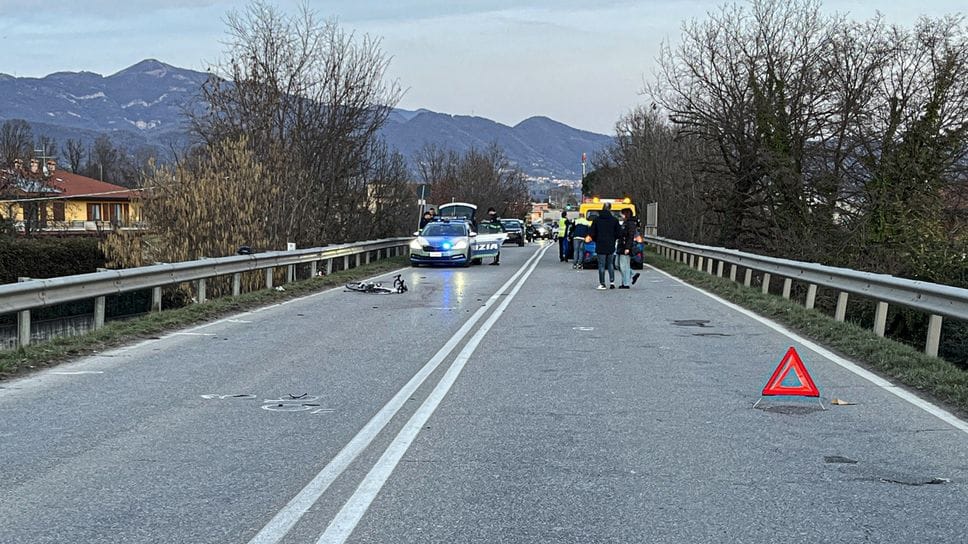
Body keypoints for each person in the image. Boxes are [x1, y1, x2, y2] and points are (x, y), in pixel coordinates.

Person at [588, 202, 622, 290]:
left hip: (600, 244)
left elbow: (592, 233)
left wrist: (596, 239)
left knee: (601, 265)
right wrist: (613, 239)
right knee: (610, 264)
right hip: (610, 244)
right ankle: (612, 282)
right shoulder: (614, 220)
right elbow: (619, 233)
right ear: (610, 209)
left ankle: (602, 283)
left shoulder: (597, 220)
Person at [616, 208, 640, 289]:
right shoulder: (625, 223)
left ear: (626, 214)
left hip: (626, 247)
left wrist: (627, 248)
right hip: (620, 246)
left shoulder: (630, 223)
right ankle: (632, 274)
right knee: (617, 264)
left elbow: (630, 236)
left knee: (624, 266)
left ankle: (625, 284)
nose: (620, 215)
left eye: (622, 214)